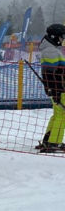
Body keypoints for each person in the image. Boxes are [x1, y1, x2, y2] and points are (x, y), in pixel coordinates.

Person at [36, 23, 65, 153]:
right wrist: (54, 91)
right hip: (59, 89)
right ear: (54, 36)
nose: (62, 40)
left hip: (58, 89)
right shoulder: (51, 51)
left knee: (57, 114)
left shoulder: (52, 50)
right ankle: (54, 142)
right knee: (62, 115)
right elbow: (48, 73)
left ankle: (49, 140)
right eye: (61, 37)